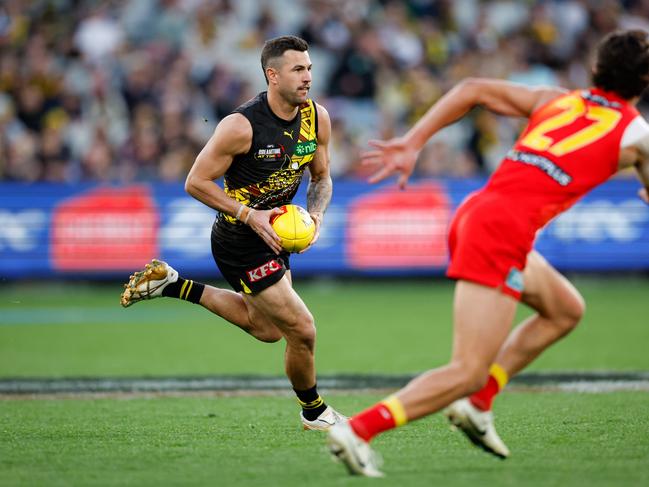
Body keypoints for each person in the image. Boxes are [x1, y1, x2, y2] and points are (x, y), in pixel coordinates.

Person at [326, 29, 649, 477]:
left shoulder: (556, 99)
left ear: (595, 70)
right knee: (467, 370)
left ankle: (479, 406)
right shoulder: (637, 134)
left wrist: (413, 141)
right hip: (502, 232)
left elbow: (472, 89)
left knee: (565, 309)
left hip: (478, 212)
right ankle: (358, 430)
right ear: (644, 81)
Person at [120, 35, 345, 431]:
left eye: (309, 68)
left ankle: (172, 285)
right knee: (302, 329)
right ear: (272, 76)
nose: (308, 77)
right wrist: (250, 215)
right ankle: (316, 412)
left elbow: (322, 178)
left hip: (276, 235)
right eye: (298, 69)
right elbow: (195, 182)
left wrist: (316, 217)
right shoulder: (240, 126)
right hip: (239, 240)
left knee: (269, 331)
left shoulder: (316, 117)